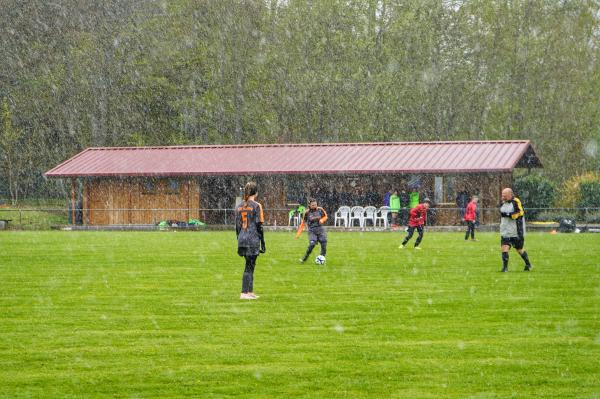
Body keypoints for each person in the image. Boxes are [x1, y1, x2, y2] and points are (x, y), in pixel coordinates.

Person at [235, 181, 266, 300]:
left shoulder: (239, 206)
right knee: (249, 266)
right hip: (252, 238)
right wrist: (262, 242)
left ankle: (250, 291)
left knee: (251, 264)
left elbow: (237, 226)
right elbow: (259, 225)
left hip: (242, 237)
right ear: (256, 193)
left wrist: (239, 239)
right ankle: (244, 292)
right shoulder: (257, 206)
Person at [499, 188, 532, 272]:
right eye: (502, 195)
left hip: (516, 231)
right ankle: (505, 268)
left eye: (505, 195)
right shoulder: (503, 202)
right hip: (505, 230)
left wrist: (509, 215)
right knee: (504, 247)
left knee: (519, 249)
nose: (503, 197)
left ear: (510, 194)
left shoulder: (516, 201)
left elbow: (520, 212)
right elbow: (501, 211)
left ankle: (528, 264)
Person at [296, 198, 328, 263]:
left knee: (324, 243)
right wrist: (298, 233)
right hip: (312, 231)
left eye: (315, 204)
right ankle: (304, 258)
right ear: (309, 205)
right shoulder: (307, 212)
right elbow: (303, 223)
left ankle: (321, 259)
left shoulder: (320, 209)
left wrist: (322, 220)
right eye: (313, 205)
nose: (314, 206)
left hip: (320, 229)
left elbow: (326, 216)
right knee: (312, 244)